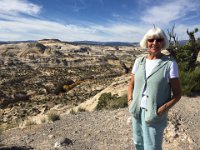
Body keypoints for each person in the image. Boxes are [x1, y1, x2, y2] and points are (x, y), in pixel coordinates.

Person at [128, 26, 181, 150]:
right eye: (151, 40)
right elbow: (131, 83)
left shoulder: (169, 64)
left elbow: (177, 94)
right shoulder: (139, 61)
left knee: (153, 147)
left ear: (163, 42)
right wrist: (130, 101)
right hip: (136, 110)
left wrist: (162, 110)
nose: (154, 43)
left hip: (155, 113)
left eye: (159, 40)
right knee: (138, 143)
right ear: (146, 42)